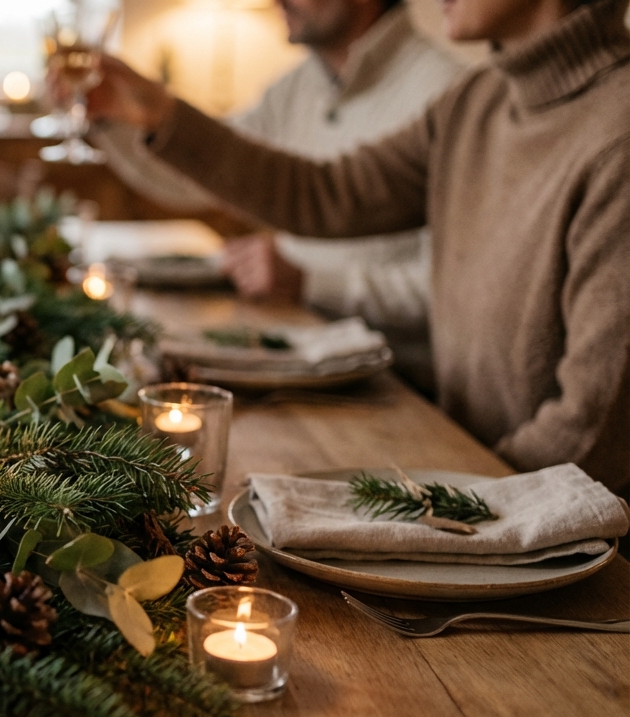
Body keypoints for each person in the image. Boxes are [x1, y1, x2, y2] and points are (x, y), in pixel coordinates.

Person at [88, 0, 630, 493]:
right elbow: (325, 193)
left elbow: (589, 431)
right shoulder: (476, 100)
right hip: (468, 473)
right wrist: (162, 115)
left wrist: (451, 503)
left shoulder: (615, 136)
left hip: (540, 530)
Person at [100, 0, 464, 394]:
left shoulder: (444, 94)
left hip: (396, 389)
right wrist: (113, 121)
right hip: (291, 354)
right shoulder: (298, 86)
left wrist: (313, 281)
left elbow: (452, 291)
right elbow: (205, 178)